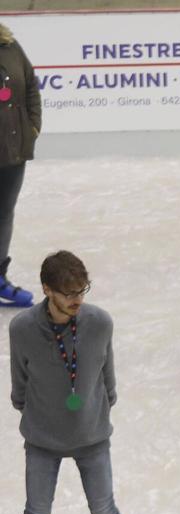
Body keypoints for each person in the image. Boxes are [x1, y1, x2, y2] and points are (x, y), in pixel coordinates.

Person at [4, 251, 145, 514]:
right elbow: (19, 387)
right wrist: (40, 418)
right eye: (67, 293)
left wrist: (94, 416)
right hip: (43, 439)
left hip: (91, 438)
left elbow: (108, 378)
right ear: (47, 290)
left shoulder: (99, 323)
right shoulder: (22, 329)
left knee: (105, 511)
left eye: (81, 290)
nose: (76, 299)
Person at [0, 24, 41, 308]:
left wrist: (33, 127)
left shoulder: (10, 46)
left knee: (3, 214)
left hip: (12, 150)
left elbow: (30, 87)